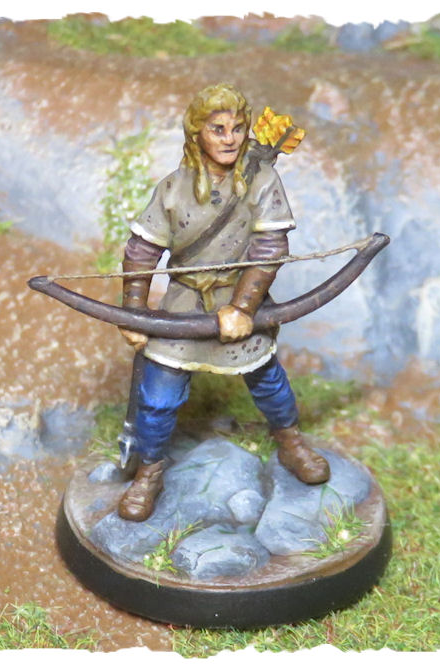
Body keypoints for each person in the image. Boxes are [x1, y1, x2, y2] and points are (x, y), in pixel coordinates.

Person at [117, 83, 329, 522]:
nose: (230, 139)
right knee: (158, 398)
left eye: (237, 129)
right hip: (184, 305)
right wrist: (134, 312)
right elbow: (141, 252)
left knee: (268, 382)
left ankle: (290, 442)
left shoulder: (261, 179)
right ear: (197, 132)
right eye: (218, 129)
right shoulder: (173, 188)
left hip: (239, 298)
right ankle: (150, 471)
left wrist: (244, 308)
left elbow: (269, 248)